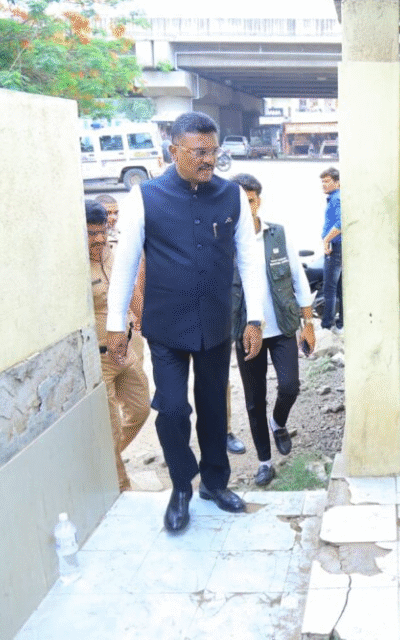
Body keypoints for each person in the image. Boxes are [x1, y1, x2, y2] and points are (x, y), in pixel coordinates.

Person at [106, 111, 267, 534]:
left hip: (215, 323)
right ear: (173, 151)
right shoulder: (144, 197)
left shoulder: (232, 195)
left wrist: (255, 318)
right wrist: (115, 324)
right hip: (166, 327)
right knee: (173, 408)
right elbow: (125, 264)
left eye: (213, 150)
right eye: (198, 151)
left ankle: (215, 483)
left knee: (213, 408)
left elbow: (250, 260)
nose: (208, 159)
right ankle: (181, 486)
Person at [229, 173, 316, 486]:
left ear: (258, 201)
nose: (245, 207)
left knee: (290, 386)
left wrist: (308, 323)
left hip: (281, 327)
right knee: (254, 401)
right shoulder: (224, 243)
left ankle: (278, 422)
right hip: (246, 333)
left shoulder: (277, 234)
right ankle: (265, 462)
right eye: (239, 202)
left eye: (250, 201)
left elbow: (298, 279)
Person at [86, 200, 150, 491]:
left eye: (101, 231)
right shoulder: (75, 266)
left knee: (140, 410)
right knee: (110, 427)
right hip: (100, 359)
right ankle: (121, 487)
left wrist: (148, 323)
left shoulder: (114, 251)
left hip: (126, 351)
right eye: (91, 234)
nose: (99, 239)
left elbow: (131, 289)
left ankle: (104, 462)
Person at [319, 167, 343, 334]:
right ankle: (341, 323)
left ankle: (327, 325)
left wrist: (327, 239)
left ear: (337, 182)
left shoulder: (337, 199)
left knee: (329, 288)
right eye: (322, 182)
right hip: (337, 247)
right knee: (340, 288)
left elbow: (341, 223)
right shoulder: (335, 197)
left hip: (335, 248)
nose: (323, 184)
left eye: (327, 181)